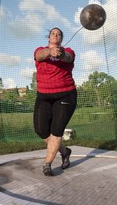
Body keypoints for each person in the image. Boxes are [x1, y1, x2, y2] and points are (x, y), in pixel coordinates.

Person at [33, 27, 77, 176]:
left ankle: (47, 164)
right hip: (44, 96)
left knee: (56, 131)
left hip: (65, 95)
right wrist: (49, 52)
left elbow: (68, 58)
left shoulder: (69, 51)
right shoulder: (40, 50)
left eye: (59, 34)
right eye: (53, 33)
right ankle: (65, 151)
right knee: (41, 130)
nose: (56, 35)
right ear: (49, 38)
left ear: (61, 39)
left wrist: (61, 54)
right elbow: (39, 56)